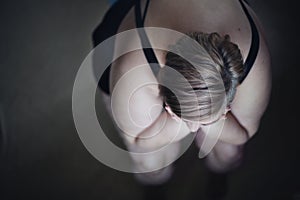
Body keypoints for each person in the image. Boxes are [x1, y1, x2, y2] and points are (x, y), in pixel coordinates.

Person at [93, 0, 271, 196]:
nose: (194, 130)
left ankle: (218, 175)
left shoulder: (253, 60)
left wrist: (206, 121)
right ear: (166, 104)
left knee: (229, 152)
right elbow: (137, 138)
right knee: (150, 161)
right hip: (134, 36)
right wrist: (198, 121)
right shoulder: (133, 69)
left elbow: (245, 132)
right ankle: (155, 187)